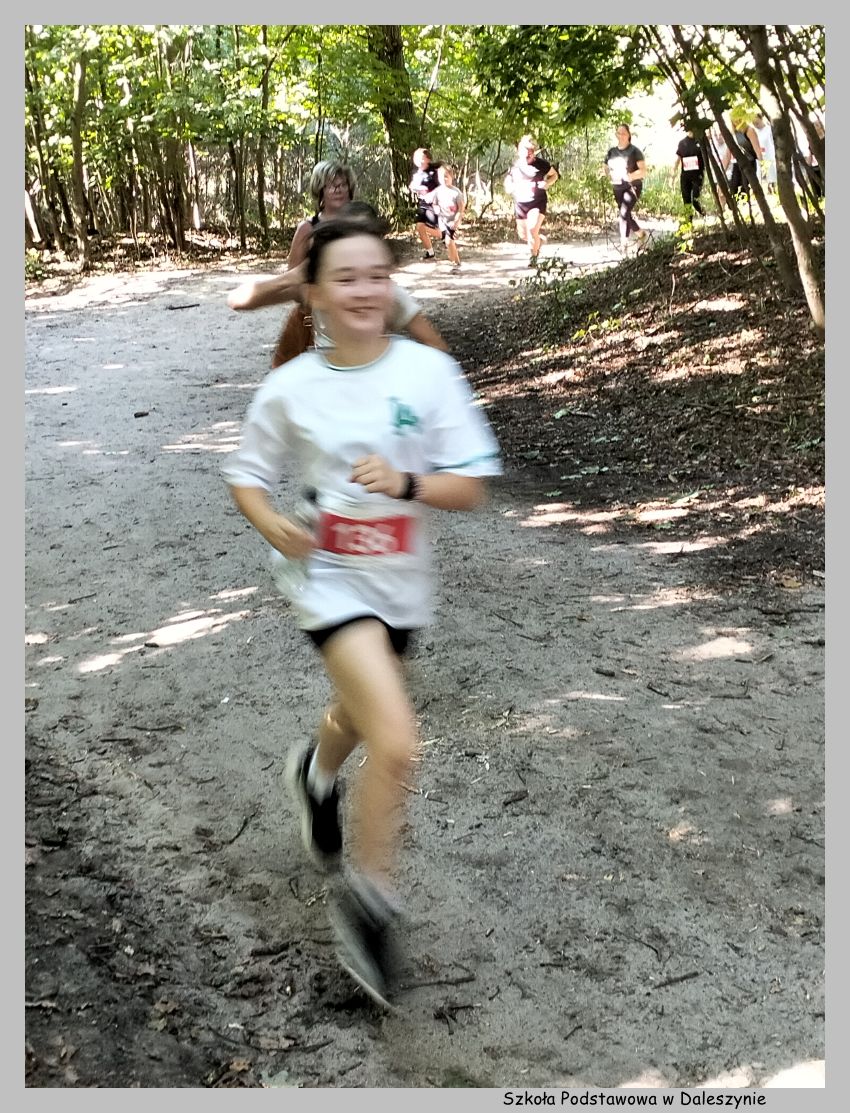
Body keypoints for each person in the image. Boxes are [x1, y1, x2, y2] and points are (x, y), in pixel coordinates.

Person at [221, 218, 502, 1008]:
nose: (365, 289)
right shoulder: (292, 385)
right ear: (313, 292)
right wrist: (271, 523)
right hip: (326, 579)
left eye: (378, 274)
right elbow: (246, 474)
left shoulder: (428, 372)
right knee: (397, 737)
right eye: (345, 276)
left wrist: (406, 484)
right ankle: (370, 905)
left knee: (358, 708)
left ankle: (313, 772)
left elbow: (471, 485)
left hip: (400, 583)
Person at [227, 201, 449, 359]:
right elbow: (238, 300)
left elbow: (436, 346)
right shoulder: (319, 289)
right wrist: (297, 275)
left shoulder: (387, 293)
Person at [503, 135, 559, 266]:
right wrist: (508, 186)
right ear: (519, 151)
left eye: (532, 151)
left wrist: (547, 183)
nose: (529, 153)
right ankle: (538, 241)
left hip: (537, 202)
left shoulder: (541, 164)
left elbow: (554, 175)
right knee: (524, 235)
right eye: (526, 150)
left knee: (532, 229)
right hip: (521, 204)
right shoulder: (515, 166)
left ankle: (533, 258)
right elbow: (508, 180)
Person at [603, 124, 647, 251]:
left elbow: (643, 171)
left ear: (629, 135)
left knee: (624, 213)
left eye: (624, 133)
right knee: (625, 215)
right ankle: (641, 234)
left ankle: (624, 245)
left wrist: (630, 176)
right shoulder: (611, 152)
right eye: (619, 133)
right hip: (617, 186)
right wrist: (604, 173)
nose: (621, 136)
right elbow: (605, 167)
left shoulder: (634, 151)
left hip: (632, 186)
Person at [430, 164, 465, 272]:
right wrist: (435, 210)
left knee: (449, 241)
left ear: (451, 177)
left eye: (446, 176)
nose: (444, 179)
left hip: (453, 220)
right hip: (442, 221)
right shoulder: (438, 191)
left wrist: (457, 220)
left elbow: (461, 208)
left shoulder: (456, 192)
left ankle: (456, 263)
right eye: (442, 176)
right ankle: (456, 260)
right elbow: (434, 204)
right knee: (448, 242)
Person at [409, 147, 441, 261]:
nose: (419, 161)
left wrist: (432, 195)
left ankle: (446, 234)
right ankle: (430, 252)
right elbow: (412, 186)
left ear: (428, 159)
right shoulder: (417, 173)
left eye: (422, 158)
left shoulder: (435, 172)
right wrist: (417, 188)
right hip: (423, 203)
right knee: (419, 226)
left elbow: (442, 187)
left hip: (434, 203)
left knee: (436, 231)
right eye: (417, 158)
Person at [673, 129, 705, 217]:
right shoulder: (682, 143)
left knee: (695, 198)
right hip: (685, 176)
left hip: (697, 175)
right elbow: (678, 159)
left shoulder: (701, 141)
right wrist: (673, 174)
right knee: (686, 200)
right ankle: (688, 222)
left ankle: (703, 213)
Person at [752, 113, 777, 194]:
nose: (756, 125)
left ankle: (774, 188)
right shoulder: (754, 132)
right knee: (762, 175)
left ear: (761, 119)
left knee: (772, 174)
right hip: (760, 157)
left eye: (757, 123)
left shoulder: (769, 130)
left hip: (770, 155)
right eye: (754, 124)